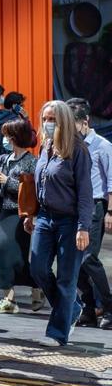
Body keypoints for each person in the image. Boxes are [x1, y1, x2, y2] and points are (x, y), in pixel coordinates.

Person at [29, 100, 93, 347]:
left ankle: (58, 333)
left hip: (71, 221)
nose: (47, 123)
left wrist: (83, 227)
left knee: (67, 278)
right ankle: (71, 308)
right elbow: (39, 185)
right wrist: (31, 215)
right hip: (45, 218)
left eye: (52, 119)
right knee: (37, 268)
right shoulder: (45, 147)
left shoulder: (78, 150)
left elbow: (85, 192)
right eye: (45, 118)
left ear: (64, 120)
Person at [0, 117, 41, 315]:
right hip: (0, 210)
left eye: (8, 135)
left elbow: (30, 192)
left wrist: (6, 180)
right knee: (0, 255)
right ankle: (9, 298)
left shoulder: (32, 162)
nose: (5, 139)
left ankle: (37, 288)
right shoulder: (2, 158)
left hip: (20, 214)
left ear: (16, 137)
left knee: (18, 257)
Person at [69, 98, 112, 330]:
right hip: (74, 207)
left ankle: (108, 306)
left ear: (85, 121)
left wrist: (110, 212)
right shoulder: (71, 144)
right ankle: (88, 309)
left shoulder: (103, 145)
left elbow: (111, 181)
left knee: (88, 257)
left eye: (71, 121)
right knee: (75, 260)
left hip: (96, 206)